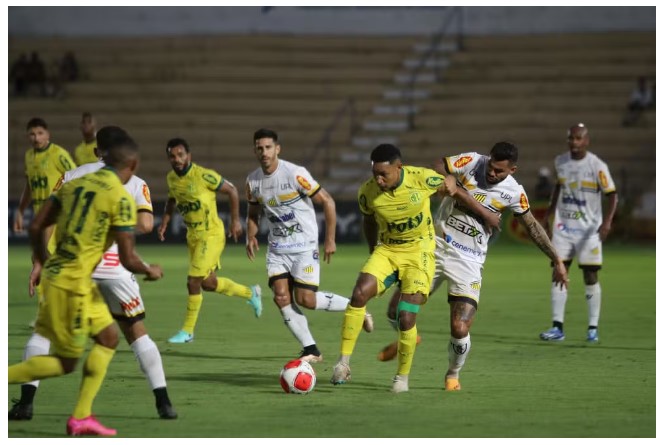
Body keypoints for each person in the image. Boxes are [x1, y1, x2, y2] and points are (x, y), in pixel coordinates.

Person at [9, 127, 177, 422]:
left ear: (98, 151)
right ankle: (163, 401)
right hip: (113, 269)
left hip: (68, 269)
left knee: (45, 334)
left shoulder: (73, 177)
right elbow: (145, 225)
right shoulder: (132, 184)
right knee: (134, 331)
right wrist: (116, 230)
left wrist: (40, 261)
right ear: (130, 158)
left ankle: (27, 404)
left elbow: (42, 224)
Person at [377, 142, 569, 392]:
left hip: (469, 260)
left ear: (512, 170)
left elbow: (532, 226)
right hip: (434, 247)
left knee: (460, 327)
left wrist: (557, 260)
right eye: (491, 167)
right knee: (395, 311)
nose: (492, 173)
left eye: (499, 171)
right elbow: (438, 166)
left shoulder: (514, 193)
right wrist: (449, 180)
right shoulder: (472, 161)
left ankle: (452, 374)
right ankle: (411, 338)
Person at [330, 143, 501, 393]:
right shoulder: (367, 192)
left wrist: (453, 184)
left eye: (383, 174)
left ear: (399, 168)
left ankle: (402, 378)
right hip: (388, 251)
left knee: (406, 316)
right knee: (358, 294)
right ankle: (343, 364)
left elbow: (451, 185)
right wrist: (372, 250)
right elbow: (368, 221)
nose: (378, 179)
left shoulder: (420, 178)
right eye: (375, 174)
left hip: (419, 254)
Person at [245, 129, 373, 363]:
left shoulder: (295, 174)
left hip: (303, 246)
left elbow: (327, 201)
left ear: (277, 149)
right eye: (259, 148)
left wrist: (330, 239)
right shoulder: (252, 181)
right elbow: (253, 212)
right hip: (277, 249)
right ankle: (311, 349)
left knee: (306, 300)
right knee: (281, 297)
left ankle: (355, 307)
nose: (264, 152)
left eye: (268, 147)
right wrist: (251, 235)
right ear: (255, 150)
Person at [158, 137, 262, 343]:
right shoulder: (171, 178)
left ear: (189, 156)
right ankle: (250, 293)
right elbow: (171, 199)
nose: (177, 159)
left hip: (211, 234)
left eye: (181, 155)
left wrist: (235, 221)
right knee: (208, 283)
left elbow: (231, 190)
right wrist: (165, 221)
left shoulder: (204, 175)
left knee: (193, 281)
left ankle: (188, 331)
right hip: (193, 236)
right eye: (172, 156)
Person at [540, 123, 618, 343]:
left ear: (586, 140)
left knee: (590, 275)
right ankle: (557, 327)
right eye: (571, 138)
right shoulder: (560, 161)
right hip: (564, 229)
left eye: (578, 138)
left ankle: (593, 328)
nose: (574, 142)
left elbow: (612, 195)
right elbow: (558, 187)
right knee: (558, 272)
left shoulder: (597, 166)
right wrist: (548, 214)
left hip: (589, 231)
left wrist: (607, 222)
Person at [14, 117, 77, 327]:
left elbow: (75, 178)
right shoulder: (29, 156)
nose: (36, 137)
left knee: (41, 259)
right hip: (40, 216)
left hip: (57, 216)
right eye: (32, 134)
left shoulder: (58, 154)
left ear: (48, 134)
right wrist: (21, 210)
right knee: (43, 260)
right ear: (27, 136)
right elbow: (30, 186)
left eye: (40, 133)